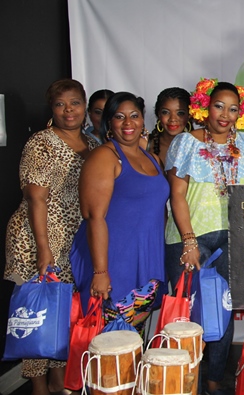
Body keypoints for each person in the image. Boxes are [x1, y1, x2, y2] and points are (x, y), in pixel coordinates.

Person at [165, 78, 244, 395]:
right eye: (219, 106)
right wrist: (189, 241)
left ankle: (214, 380)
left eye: (233, 109)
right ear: (205, 107)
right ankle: (185, 381)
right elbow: (177, 195)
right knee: (188, 315)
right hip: (191, 238)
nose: (225, 114)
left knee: (222, 313)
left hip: (231, 238)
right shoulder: (186, 143)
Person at [4, 79, 99, 395]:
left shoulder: (93, 144)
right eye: (60, 104)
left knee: (63, 312)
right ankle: (39, 387)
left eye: (75, 103)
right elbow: (36, 198)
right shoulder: (41, 143)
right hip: (37, 238)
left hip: (72, 242)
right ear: (52, 109)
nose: (68, 110)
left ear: (84, 106)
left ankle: (59, 381)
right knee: (37, 313)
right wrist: (43, 249)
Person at [70, 92, 168, 327]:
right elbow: (94, 217)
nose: (128, 123)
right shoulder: (104, 156)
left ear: (143, 120)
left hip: (146, 263)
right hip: (114, 263)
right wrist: (100, 272)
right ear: (109, 122)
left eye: (134, 115)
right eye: (119, 116)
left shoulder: (152, 158)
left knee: (134, 338)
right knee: (109, 340)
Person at [146, 87, 192, 169]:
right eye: (166, 112)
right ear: (158, 114)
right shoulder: (144, 144)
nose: (173, 119)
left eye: (180, 113)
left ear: (189, 115)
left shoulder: (199, 146)